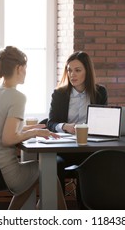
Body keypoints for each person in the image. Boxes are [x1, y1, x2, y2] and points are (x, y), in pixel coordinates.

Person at [0, 46, 66, 210]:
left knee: (35, 178)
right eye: (25, 68)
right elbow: (8, 138)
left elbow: (0, 131)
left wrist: (26, 130)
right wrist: (35, 132)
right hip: (5, 171)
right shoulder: (17, 97)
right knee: (48, 173)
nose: (26, 72)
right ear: (19, 68)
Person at [47, 51, 108, 204]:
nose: (72, 74)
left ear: (87, 71)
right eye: (69, 70)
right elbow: (51, 123)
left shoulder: (100, 92)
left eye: (77, 70)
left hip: (88, 148)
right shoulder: (59, 94)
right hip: (65, 148)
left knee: (99, 162)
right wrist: (65, 126)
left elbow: (104, 122)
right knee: (55, 163)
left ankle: (86, 209)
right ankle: (58, 209)